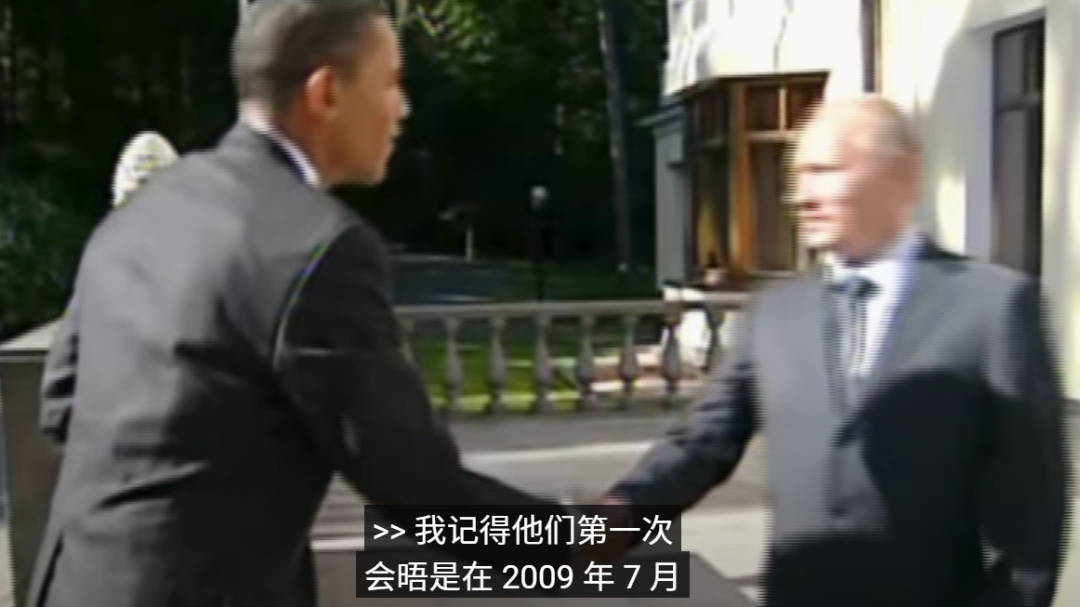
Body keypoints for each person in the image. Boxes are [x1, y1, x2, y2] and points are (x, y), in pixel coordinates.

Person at [30, 2, 573, 606]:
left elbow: (61, 405)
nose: (402, 108)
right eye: (390, 83)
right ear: (325, 93)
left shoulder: (145, 207)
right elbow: (421, 490)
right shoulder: (320, 249)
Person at [594, 96, 1070, 607]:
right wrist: (608, 521)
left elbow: (1033, 511)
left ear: (901, 175)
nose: (801, 196)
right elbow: (699, 446)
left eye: (825, 171)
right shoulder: (775, 314)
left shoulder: (992, 306)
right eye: (797, 175)